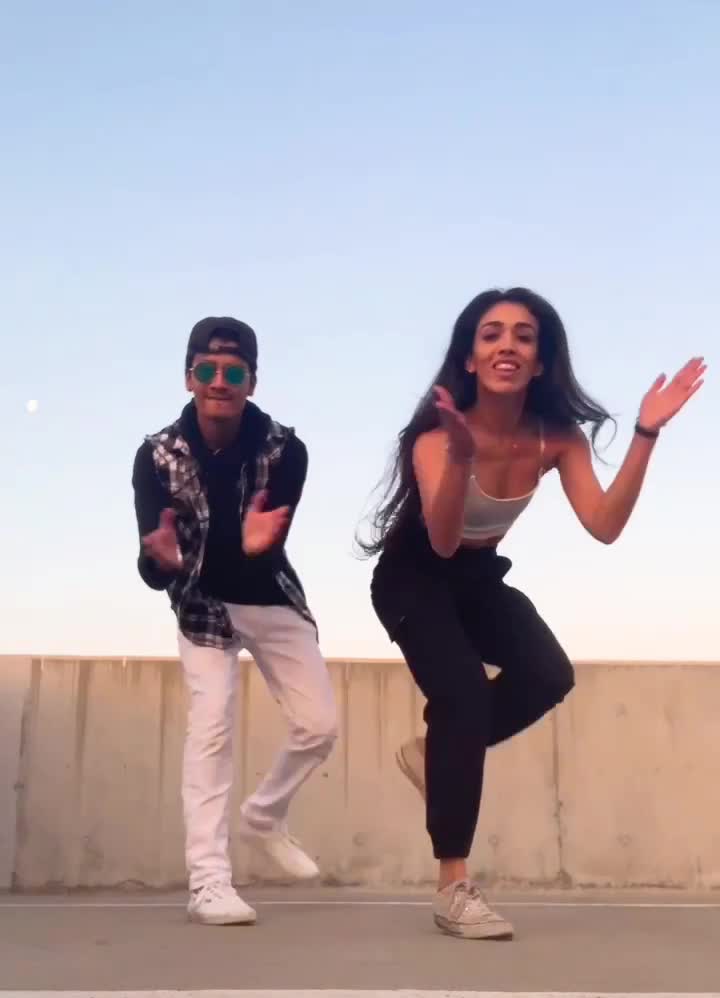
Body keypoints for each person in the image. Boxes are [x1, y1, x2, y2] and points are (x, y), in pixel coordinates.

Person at [363, 287, 704, 940]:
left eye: (524, 336)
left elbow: (604, 525)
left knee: (548, 674)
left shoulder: (557, 438)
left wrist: (646, 432)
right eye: (491, 334)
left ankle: (433, 754)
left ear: (541, 361)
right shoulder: (436, 437)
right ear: (469, 358)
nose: (508, 346)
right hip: (414, 579)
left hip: (478, 579)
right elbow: (441, 543)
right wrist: (462, 459)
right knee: (462, 694)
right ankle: (453, 887)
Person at [132, 317, 337, 925]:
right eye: (206, 369)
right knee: (210, 731)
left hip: (268, 596)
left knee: (319, 726)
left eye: (233, 371)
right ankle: (209, 883)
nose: (219, 381)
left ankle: (265, 815)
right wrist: (158, 561)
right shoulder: (156, 456)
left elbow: (267, 545)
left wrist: (258, 546)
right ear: (189, 377)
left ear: (251, 381)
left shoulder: (285, 449)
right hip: (201, 606)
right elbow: (154, 563)